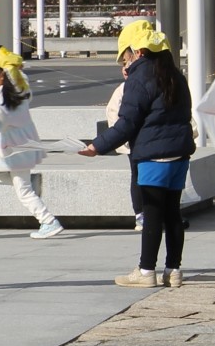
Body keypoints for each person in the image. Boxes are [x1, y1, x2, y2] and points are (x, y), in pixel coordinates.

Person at [80, 20, 195, 288]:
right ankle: (173, 270)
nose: (125, 61)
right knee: (173, 213)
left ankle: (145, 272)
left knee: (152, 214)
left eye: (125, 55)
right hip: (179, 155)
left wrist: (97, 146)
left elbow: (127, 122)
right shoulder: (175, 75)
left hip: (152, 154)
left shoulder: (140, 78)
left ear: (138, 52)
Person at [0, 48, 61, 239]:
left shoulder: (4, 99)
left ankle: (48, 221)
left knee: (22, 191)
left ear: (3, 75)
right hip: (18, 148)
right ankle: (42, 208)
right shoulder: (17, 90)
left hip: (14, 150)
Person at [105, 49, 143, 231]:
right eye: (123, 66)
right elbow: (114, 117)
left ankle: (157, 213)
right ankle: (141, 214)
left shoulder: (139, 86)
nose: (125, 69)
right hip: (133, 143)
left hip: (143, 141)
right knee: (138, 177)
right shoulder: (121, 91)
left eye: (127, 65)